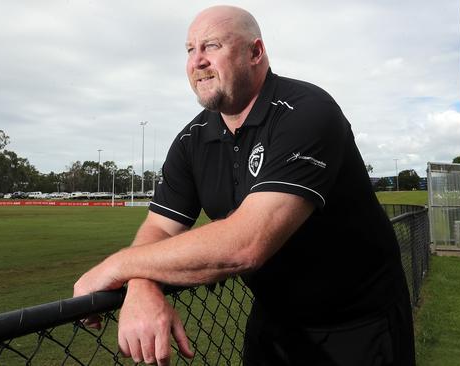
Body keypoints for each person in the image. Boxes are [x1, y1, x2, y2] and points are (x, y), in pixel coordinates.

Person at [74, 5, 415, 365]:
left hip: (358, 324)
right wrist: (142, 283)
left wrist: (116, 266)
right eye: (190, 50)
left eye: (212, 46)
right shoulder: (191, 141)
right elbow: (160, 226)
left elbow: (247, 243)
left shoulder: (307, 111)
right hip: (274, 321)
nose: (198, 61)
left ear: (255, 52)